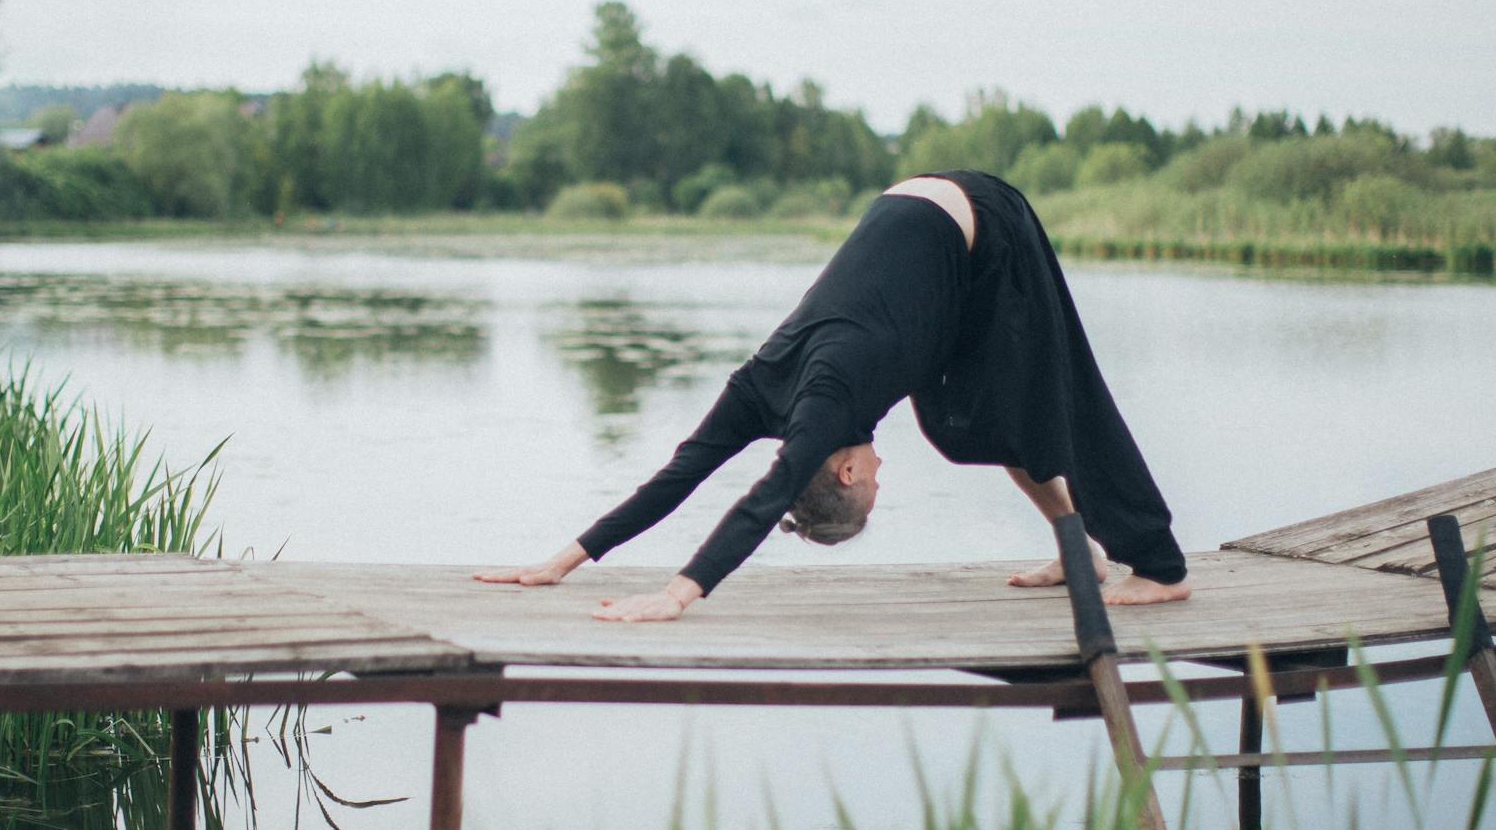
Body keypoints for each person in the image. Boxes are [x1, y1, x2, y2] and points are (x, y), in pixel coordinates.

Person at [475, 170, 1192, 621]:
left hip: (985, 221)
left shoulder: (826, 401)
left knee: (1059, 399)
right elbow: (676, 476)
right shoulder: (762, 388)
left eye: (873, 485)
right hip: (922, 222)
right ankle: (1082, 551)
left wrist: (677, 593)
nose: (882, 472)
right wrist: (561, 559)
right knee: (964, 424)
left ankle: (1160, 568)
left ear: (843, 470)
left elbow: (761, 497)